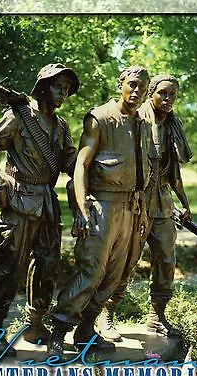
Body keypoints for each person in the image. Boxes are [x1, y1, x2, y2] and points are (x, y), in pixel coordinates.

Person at [0, 63, 79, 356]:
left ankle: (35, 324)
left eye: (67, 89)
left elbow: (71, 163)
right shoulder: (19, 116)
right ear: (43, 86)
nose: (63, 93)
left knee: (48, 267)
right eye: (59, 86)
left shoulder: (61, 126)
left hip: (47, 202)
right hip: (20, 201)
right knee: (9, 268)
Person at [48, 65, 151, 357]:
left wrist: (141, 210)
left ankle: (85, 330)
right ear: (121, 84)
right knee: (90, 272)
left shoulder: (142, 122)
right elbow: (81, 165)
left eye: (142, 88)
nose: (136, 91)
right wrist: (81, 207)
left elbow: (143, 168)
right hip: (102, 205)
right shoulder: (100, 117)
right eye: (132, 84)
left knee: (115, 275)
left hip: (131, 207)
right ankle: (59, 328)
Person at [98, 74, 192, 341]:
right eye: (162, 93)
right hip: (137, 198)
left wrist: (185, 203)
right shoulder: (138, 120)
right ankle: (106, 314)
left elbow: (172, 172)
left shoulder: (173, 125)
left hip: (163, 200)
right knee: (126, 259)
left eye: (172, 94)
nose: (167, 99)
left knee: (166, 258)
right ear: (151, 93)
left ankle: (156, 316)